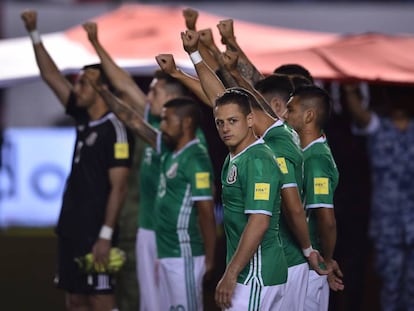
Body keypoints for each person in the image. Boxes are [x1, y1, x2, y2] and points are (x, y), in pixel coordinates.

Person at [82, 21, 207, 311]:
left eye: (154, 93)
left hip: (176, 237)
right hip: (147, 230)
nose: (148, 98)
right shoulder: (156, 128)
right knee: (150, 304)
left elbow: (205, 199)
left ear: (171, 97)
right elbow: (125, 88)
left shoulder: (187, 139)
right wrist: (96, 43)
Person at [21, 10, 135, 311]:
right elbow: (50, 76)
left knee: (100, 300)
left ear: (103, 89)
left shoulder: (116, 130)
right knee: (74, 300)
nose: (78, 88)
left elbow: (119, 188)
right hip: (71, 227)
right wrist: (33, 32)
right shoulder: (84, 119)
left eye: (85, 83)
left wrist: (105, 236)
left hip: (96, 232)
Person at [213, 88, 287, 310]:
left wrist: (230, 274)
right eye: (220, 122)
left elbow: (259, 221)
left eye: (233, 121)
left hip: (257, 274)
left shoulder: (258, 161)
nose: (225, 128)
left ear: (250, 119)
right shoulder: (236, 156)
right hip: (250, 273)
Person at [343, 83, 414, 311]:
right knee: (390, 284)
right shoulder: (378, 126)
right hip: (387, 223)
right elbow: (360, 115)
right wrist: (350, 89)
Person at [283, 85, 344, 311]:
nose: (284, 115)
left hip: (309, 268)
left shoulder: (315, 159)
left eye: (290, 110)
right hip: (303, 263)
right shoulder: (307, 153)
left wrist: (326, 261)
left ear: (309, 116)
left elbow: (327, 219)